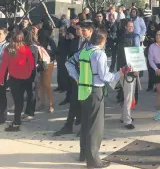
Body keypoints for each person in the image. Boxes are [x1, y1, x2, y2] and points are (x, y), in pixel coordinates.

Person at [66, 29, 123, 168]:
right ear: (103, 40)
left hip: (83, 91)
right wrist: (118, 74)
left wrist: (77, 78)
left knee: (85, 124)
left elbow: (68, 63)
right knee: (95, 127)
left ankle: (83, 154)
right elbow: (104, 76)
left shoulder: (85, 51)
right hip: (95, 91)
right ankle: (93, 161)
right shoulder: (99, 54)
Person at [0, 31, 34, 131]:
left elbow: (4, 66)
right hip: (25, 77)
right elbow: (31, 63)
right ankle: (17, 120)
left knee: (17, 100)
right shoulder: (26, 48)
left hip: (14, 78)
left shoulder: (8, 49)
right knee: (20, 101)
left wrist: (1, 79)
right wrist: (27, 71)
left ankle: (16, 122)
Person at [117, 20, 140, 129]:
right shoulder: (134, 37)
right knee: (128, 96)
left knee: (126, 95)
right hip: (128, 69)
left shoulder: (121, 38)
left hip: (123, 68)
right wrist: (136, 68)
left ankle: (124, 116)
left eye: (132, 26)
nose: (131, 27)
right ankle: (127, 120)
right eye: (129, 26)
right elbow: (136, 52)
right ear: (126, 27)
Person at [36, 29, 57, 113]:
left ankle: (51, 104)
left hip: (49, 62)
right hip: (41, 63)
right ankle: (42, 103)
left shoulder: (50, 41)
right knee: (41, 84)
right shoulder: (38, 41)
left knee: (46, 83)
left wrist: (44, 49)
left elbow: (54, 52)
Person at [22, 31, 40, 121]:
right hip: (32, 73)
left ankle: (30, 113)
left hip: (30, 73)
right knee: (30, 94)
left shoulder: (31, 48)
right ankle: (28, 112)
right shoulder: (34, 48)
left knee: (31, 94)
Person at [0, 26, 9, 124]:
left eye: (0, 34)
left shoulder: (8, 46)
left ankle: (2, 116)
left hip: (3, 73)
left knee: (2, 95)